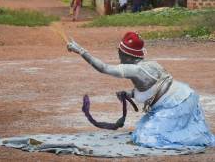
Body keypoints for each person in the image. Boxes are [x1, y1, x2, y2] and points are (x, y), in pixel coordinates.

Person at [67, 32, 215, 149]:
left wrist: (80, 50)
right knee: (141, 130)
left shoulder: (135, 69)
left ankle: (193, 138)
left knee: (146, 137)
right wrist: (129, 94)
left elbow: (104, 68)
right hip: (184, 97)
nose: (118, 54)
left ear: (125, 54)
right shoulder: (150, 64)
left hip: (177, 106)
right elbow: (152, 89)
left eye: (119, 52)